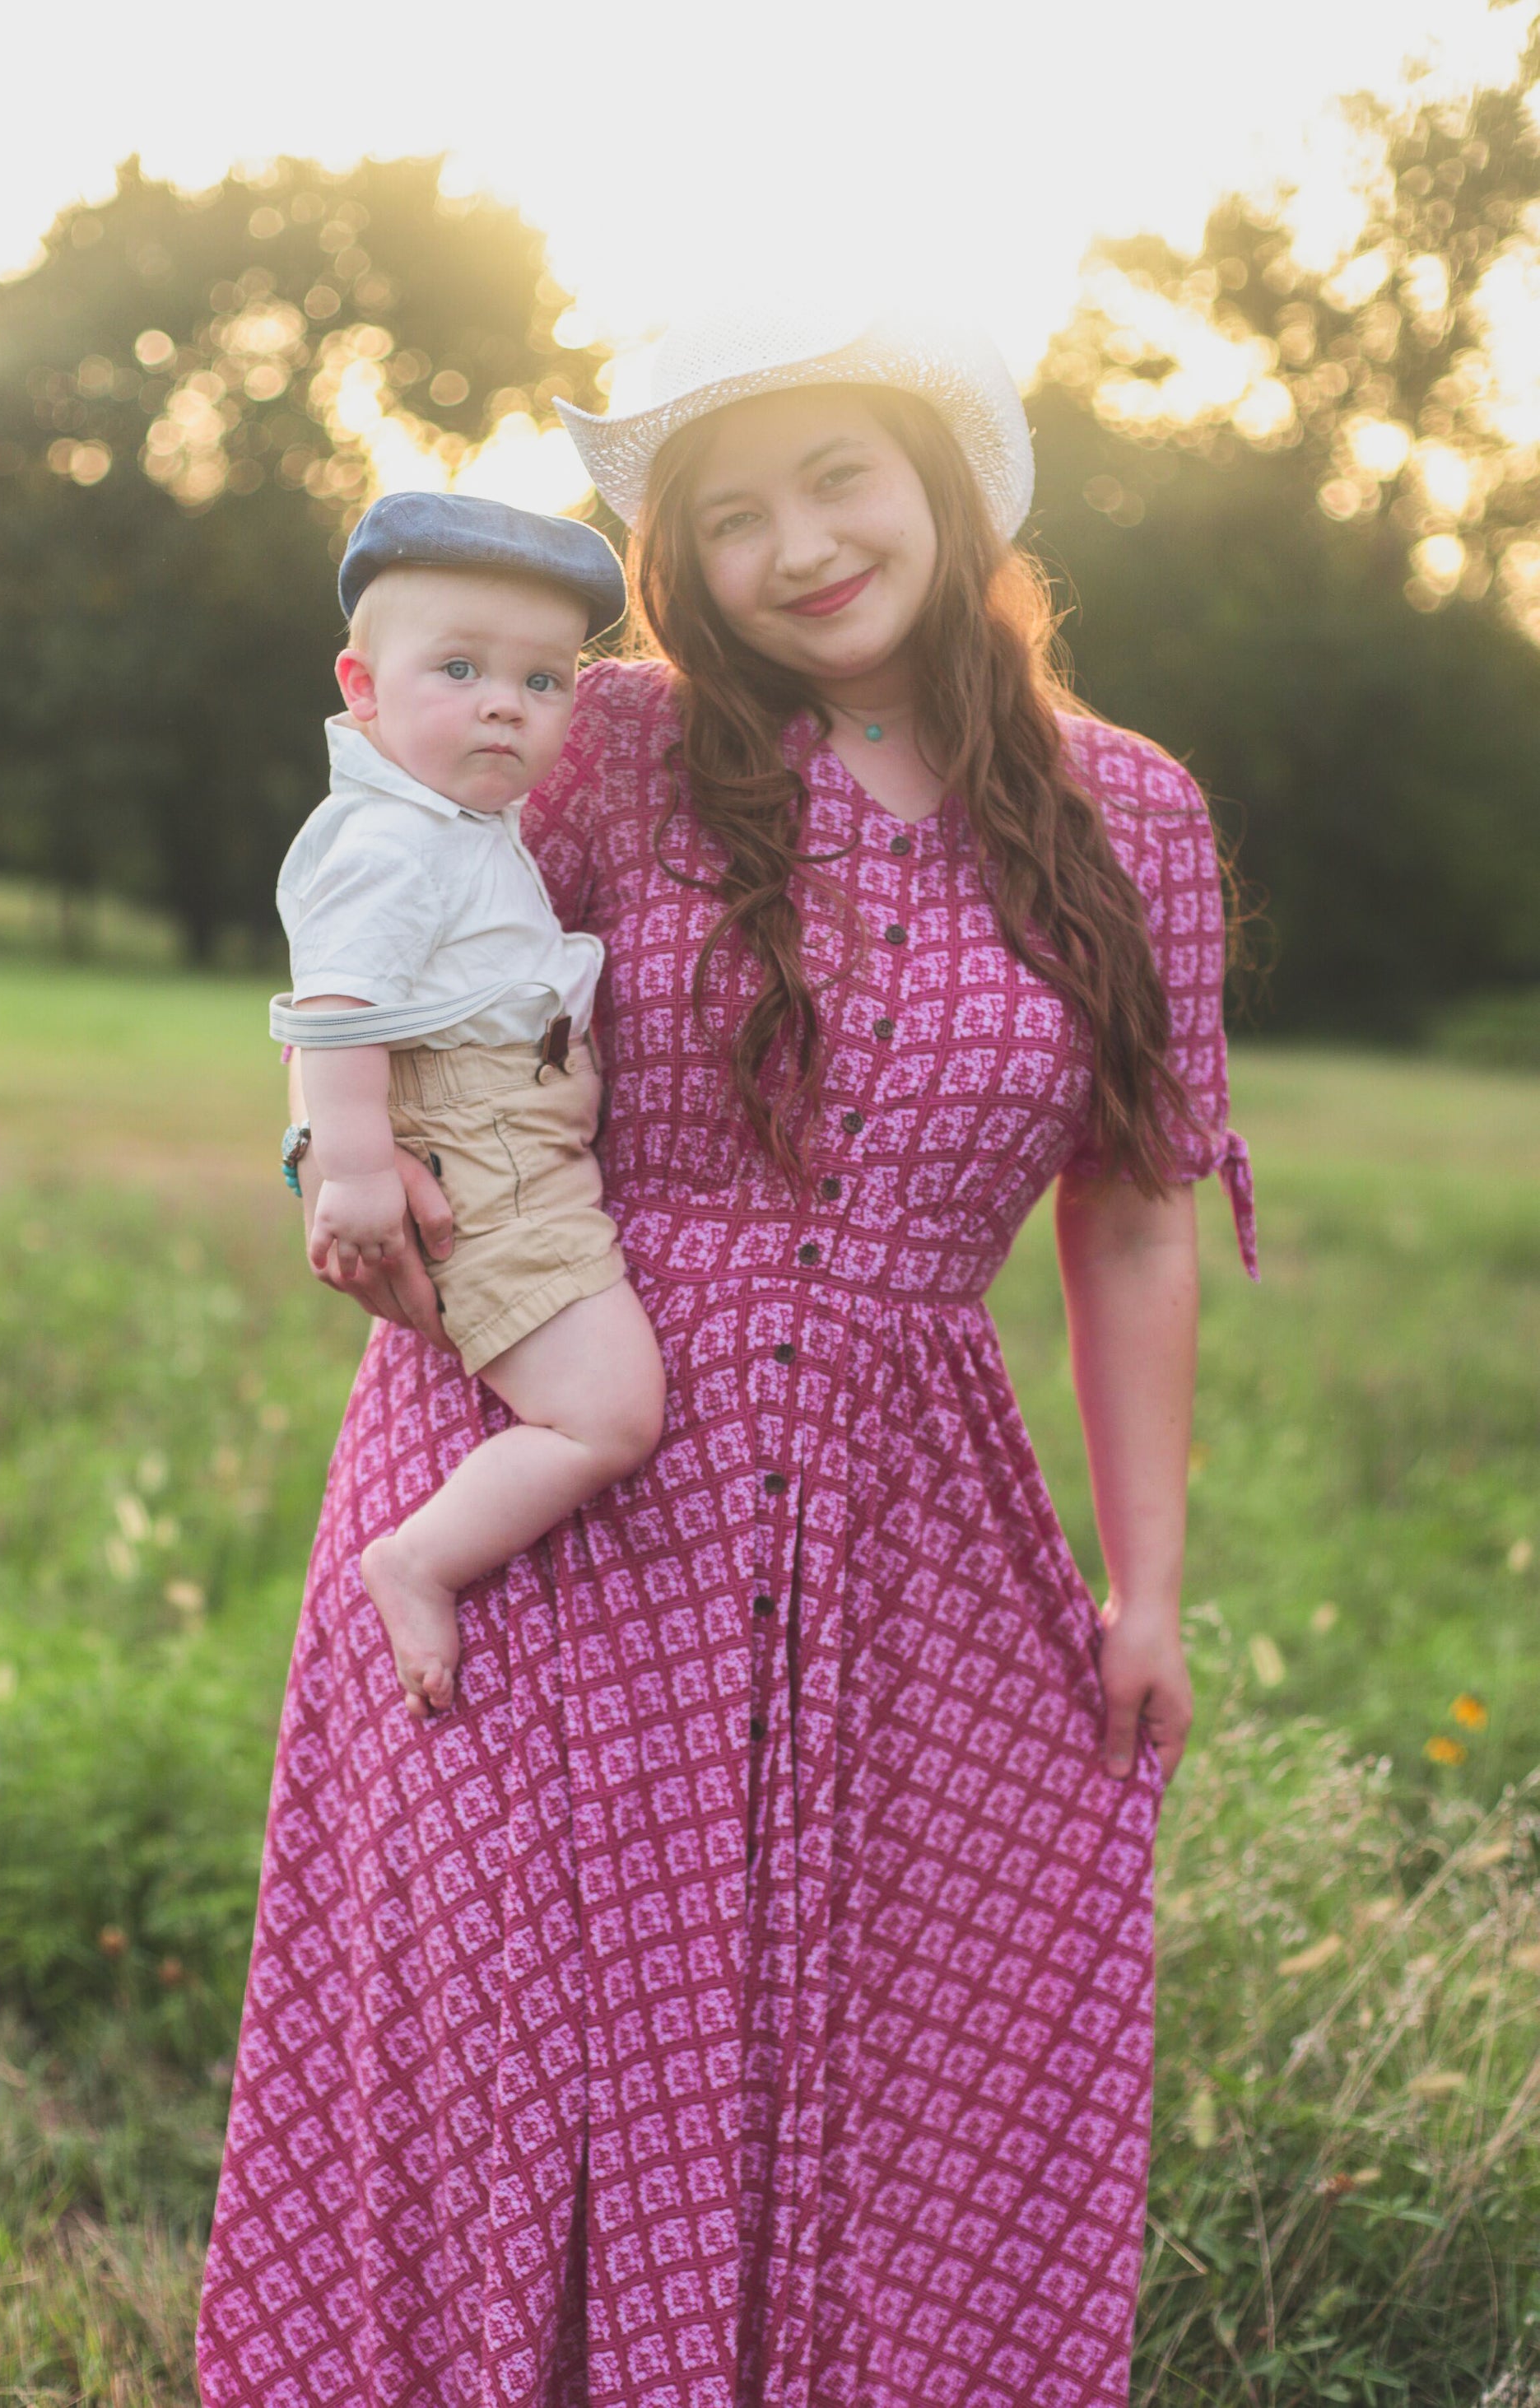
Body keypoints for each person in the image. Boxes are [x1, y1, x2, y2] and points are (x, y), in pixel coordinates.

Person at [198, 303, 1259, 2408]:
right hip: (540, 1439)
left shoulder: (1124, 817)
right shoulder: (597, 741)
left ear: (947, 483)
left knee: (871, 2049)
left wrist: (1143, 1583)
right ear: (677, 549)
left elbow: (1134, 1208)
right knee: (514, 2046)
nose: (800, 547)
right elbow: (386, 917)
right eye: (735, 510)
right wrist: (341, 1151)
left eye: (840, 479)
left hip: (896, 1511)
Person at [269, 493, 665, 1718]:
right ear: (363, 684)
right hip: (487, 1156)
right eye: (460, 668)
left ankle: (427, 1548)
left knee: (602, 1405)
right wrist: (348, 1170)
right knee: (608, 1415)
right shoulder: (396, 839)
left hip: (519, 1143)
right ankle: (420, 1555)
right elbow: (336, 1009)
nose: (506, 702)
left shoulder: (458, 824)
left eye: (544, 680)